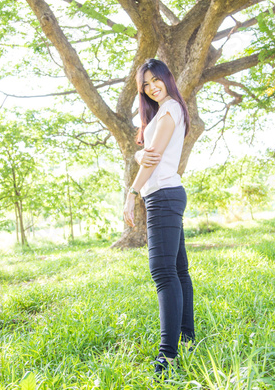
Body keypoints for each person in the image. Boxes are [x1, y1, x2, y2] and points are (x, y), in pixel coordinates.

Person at [123, 58, 195, 381]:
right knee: (178, 271)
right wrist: (139, 153)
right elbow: (148, 153)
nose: (152, 87)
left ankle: (167, 356)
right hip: (168, 193)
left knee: (163, 274)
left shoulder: (169, 110)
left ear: (167, 78)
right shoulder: (166, 111)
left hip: (162, 195)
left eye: (156, 80)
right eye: (145, 85)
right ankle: (188, 338)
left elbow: (151, 160)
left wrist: (132, 192)